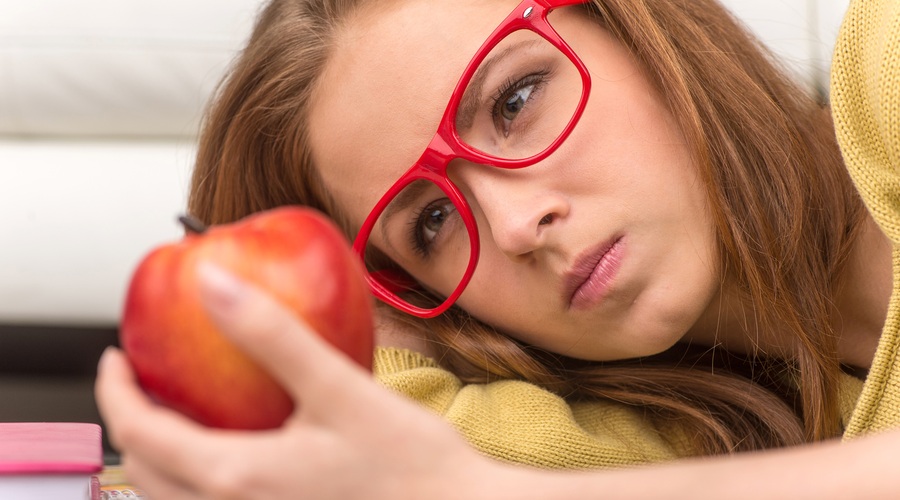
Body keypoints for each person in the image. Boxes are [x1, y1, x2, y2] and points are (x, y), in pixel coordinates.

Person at [94, 0, 900, 496]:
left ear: (633, 22)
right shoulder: (696, 442)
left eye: (515, 100)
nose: (515, 228)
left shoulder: (886, 61)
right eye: (431, 224)